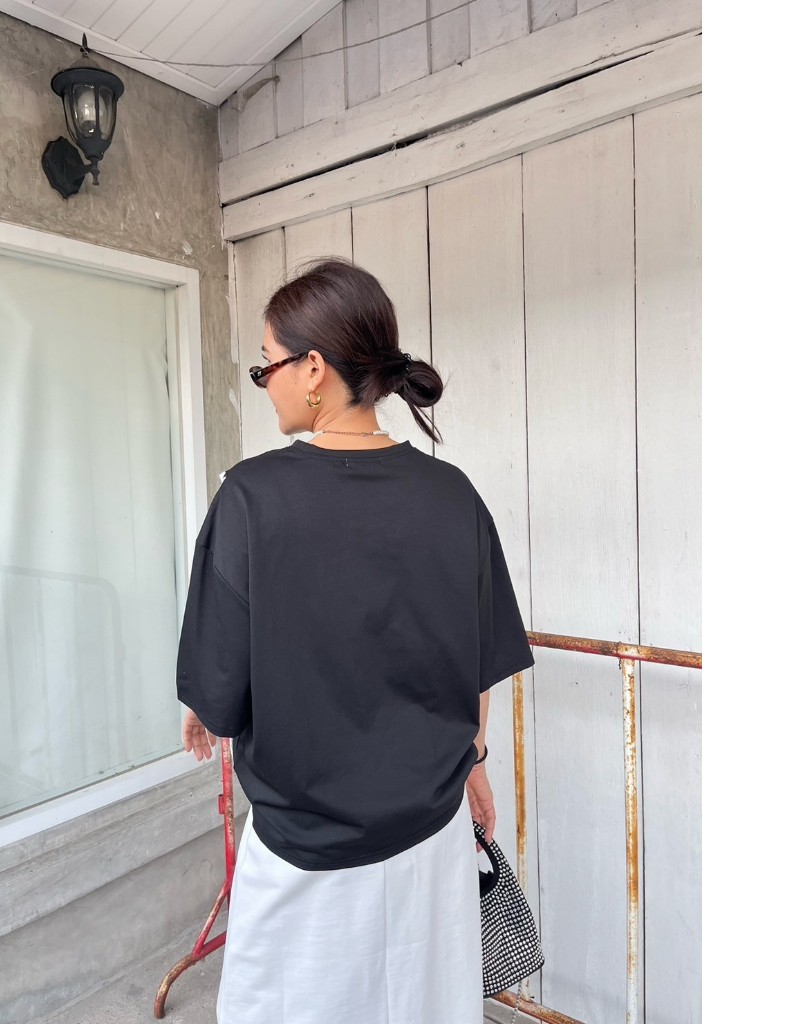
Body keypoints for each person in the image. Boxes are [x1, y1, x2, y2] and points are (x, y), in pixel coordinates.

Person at [175, 256, 534, 1024]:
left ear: (313, 369)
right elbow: (478, 665)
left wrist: (203, 706)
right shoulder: (453, 496)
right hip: (431, 842)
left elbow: (220, 696)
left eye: (266, 365)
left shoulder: (252, 499)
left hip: (307, 861)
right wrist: (473, 763)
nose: (264, 383)